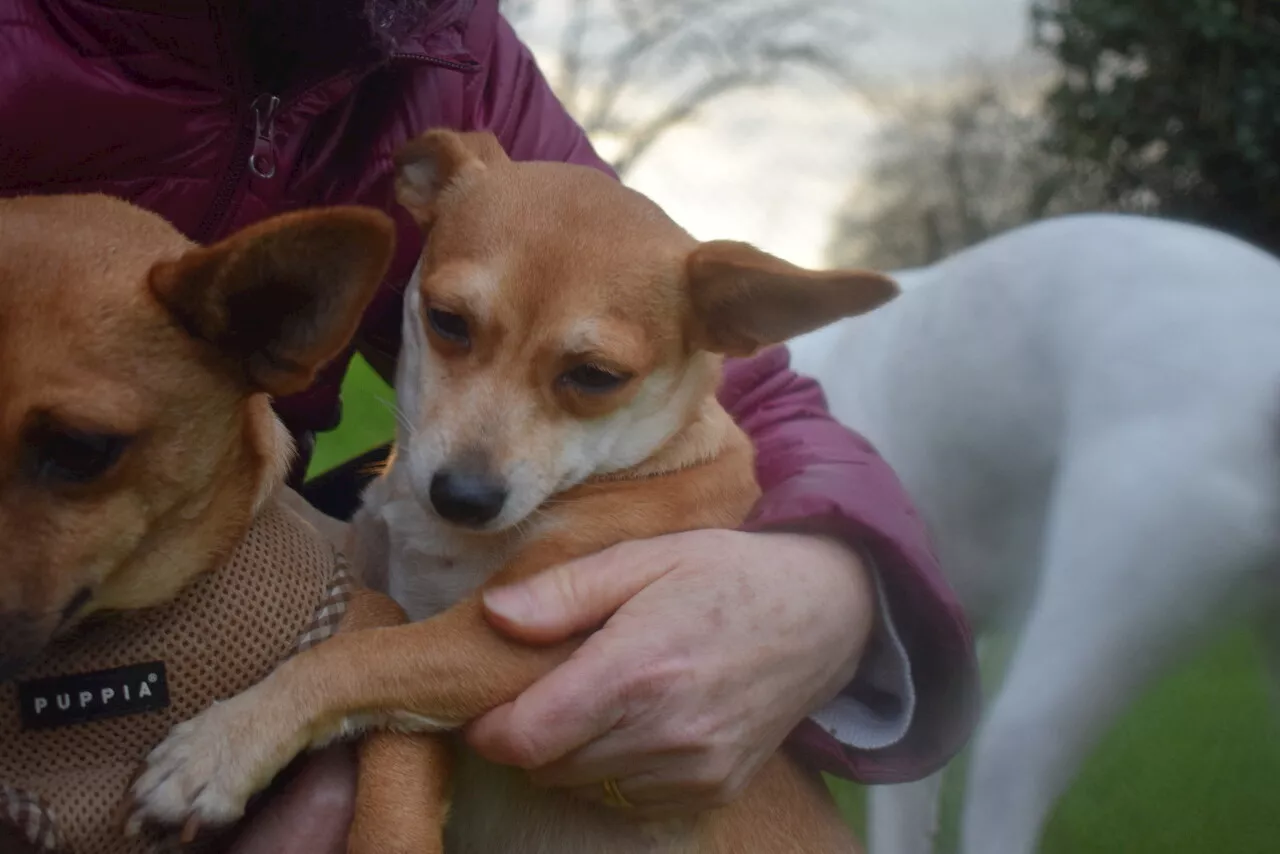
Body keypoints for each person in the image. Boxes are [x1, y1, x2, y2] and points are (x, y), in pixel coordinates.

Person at [0, 0, 979, 849]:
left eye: (587, 376)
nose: (465, 463)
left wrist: (835, 577)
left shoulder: (441, 52)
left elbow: (756, 405)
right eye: (453, 326)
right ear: (417, 185)